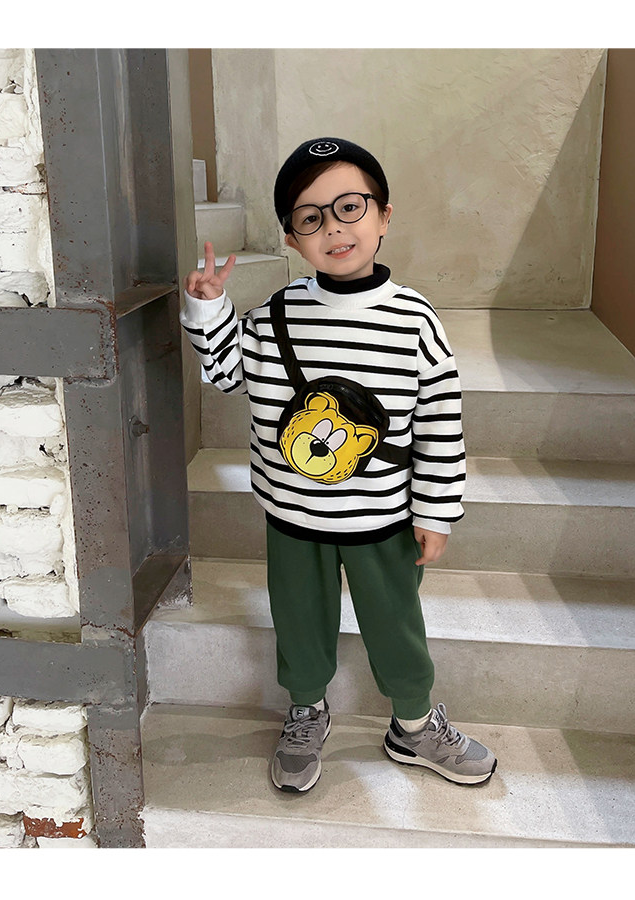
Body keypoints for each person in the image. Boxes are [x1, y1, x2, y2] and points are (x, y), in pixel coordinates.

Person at [180, 137, 496, 793]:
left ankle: (413, 725)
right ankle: (306, 710)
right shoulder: (277, 315)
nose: (334, 228)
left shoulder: (414, 322)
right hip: (294, 514)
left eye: (350, 207)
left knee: (396, 624)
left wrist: (436, 511)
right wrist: (209, 307)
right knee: (300, 621)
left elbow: (441, 424)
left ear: (384, 215)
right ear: (292, 238)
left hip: (382, 517)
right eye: (311, 217)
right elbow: (228, 372)